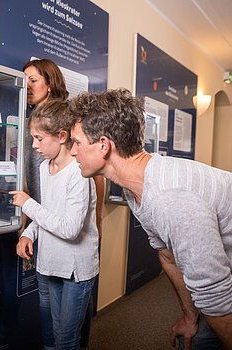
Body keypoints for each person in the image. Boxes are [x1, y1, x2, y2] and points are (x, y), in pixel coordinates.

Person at [66, 88, 232, 349]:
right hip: (219, 282)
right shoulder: (137, 188)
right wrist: (190, 317)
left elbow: (216, 298)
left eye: (76, 142)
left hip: (222, 287)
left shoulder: (171, 199)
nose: (72, 151)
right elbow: (168, 256)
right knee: (200, 337)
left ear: (103, 144)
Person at [23, 58, 104, 349]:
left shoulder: (79, 172)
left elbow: (70, 227)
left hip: (73, 265)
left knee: (67, 339)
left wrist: (27, 205)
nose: (34, 146)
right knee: (51, 337)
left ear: (61, 136)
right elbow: (51, 208)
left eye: (38, 139)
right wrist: (27, 232)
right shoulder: (46, 167)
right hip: (48, 262)